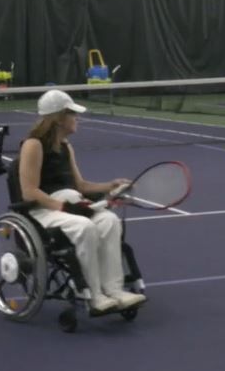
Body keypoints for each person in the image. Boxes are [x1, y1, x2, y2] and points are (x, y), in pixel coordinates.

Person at [19, 89, 147, 313]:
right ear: (59, 118)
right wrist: (64, 207)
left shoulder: (67, 147)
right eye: (73, 114)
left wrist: (111, 185)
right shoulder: (33, 145)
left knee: (109, 221)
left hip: (72, 205)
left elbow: (81, 186)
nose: (77, 118)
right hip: (44, 210)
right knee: (85, 226)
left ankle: (115, 291)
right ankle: (94, 295)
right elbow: (29, 192)